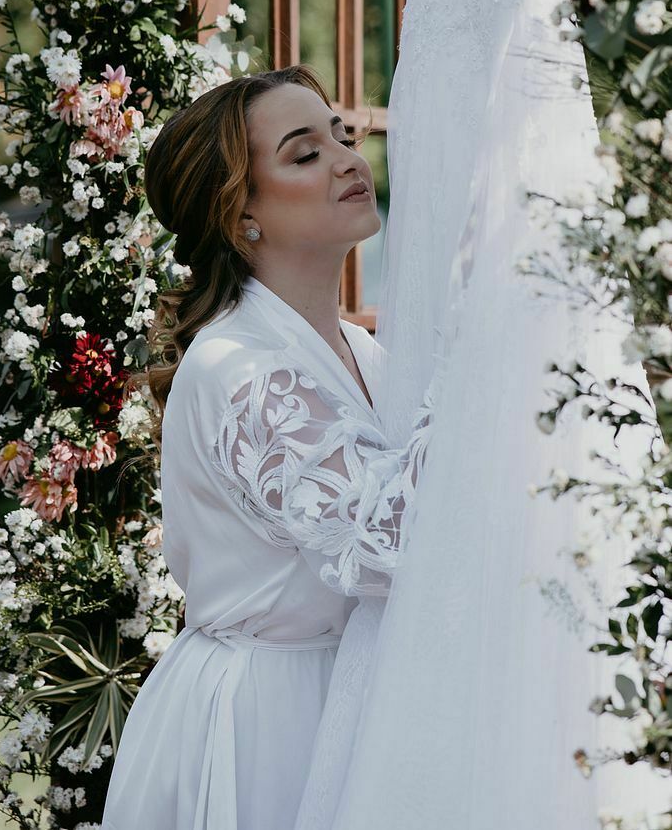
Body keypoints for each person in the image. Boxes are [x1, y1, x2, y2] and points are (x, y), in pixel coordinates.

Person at [101, 64, 432, 830]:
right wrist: (481, 362)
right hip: (270, 719)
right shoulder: (236, 367)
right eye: (304, 152)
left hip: (360, 696)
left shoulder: (362, 351)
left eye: (340, 135)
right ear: (238, 213)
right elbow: (384, 542)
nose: (349, 159)